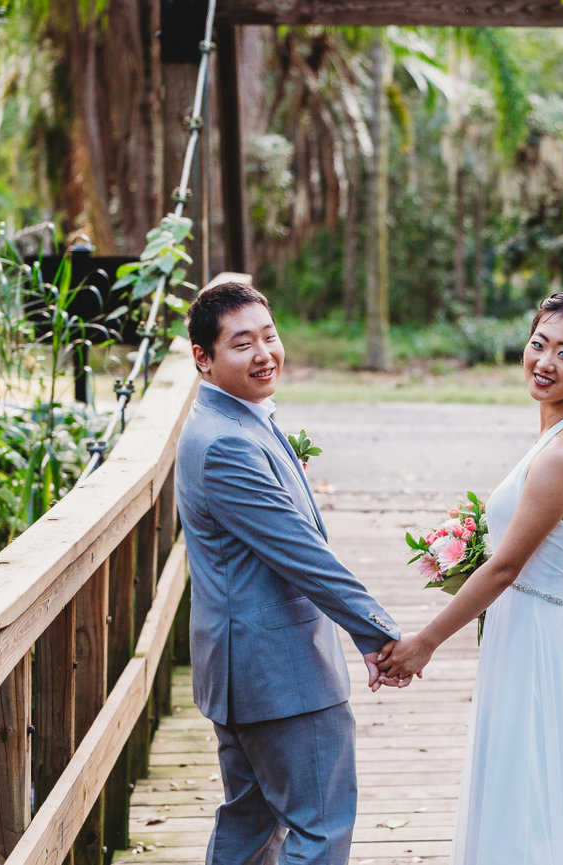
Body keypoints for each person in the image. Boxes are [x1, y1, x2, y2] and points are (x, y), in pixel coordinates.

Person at [378, 291, 563, 865]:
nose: (544, 362)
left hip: (540, 643)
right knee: (540, 796)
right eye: (539, 345)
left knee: (533, 800)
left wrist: (423, 644)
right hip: (544, 629)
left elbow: (507, 567)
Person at [175, 281, 406, 865]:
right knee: (320, 827)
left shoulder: (235, 419)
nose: (264, 354)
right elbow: (303, 555)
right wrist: (380, 634)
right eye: (241, 344)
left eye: (270, 336)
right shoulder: (226, 443)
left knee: (251, 825)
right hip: (279, 675)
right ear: (203, 358)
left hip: (243, 669)